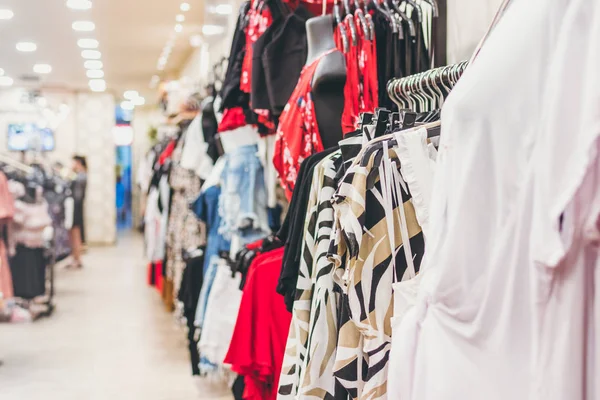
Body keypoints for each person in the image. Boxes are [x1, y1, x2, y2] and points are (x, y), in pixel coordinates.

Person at [69, 155, 87, 269]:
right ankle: (75, 258)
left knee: (75, 233)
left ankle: (77, 259)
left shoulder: (80, 176)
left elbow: (77, 195)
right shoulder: (81, 175)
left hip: (76, 207)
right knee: (75, 233)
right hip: (76, 206)